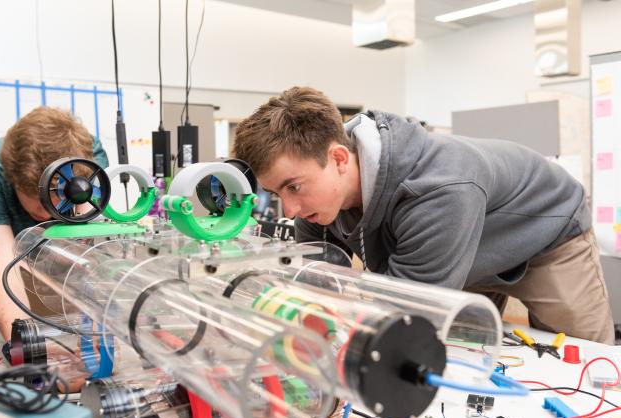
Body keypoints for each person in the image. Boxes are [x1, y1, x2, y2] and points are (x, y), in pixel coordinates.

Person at [233, 86, 615, 345]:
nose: (291, 209)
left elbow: (406, 312)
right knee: (460, 351)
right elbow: (313, 286)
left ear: (338, 158)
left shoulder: (438, 189)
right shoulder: (316, 197)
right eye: (276, 192)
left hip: (544, 232)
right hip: (457, 245)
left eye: (294, 187)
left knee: (583, 360)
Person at [0, 107, 108, 340]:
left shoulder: (88, 161)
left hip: (57, 280)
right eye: (39, 201)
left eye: (59, 199)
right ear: (13, 180)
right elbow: (3, 262)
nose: (48, 212)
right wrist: (29, 356)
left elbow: (87, 243)